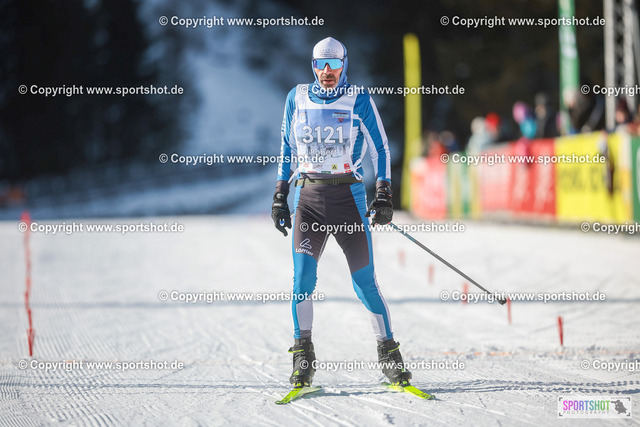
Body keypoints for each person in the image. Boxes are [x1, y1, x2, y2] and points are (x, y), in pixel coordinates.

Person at [271, 37, 411, 388]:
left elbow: (381, 149)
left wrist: (383, 193)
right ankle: (303, 358)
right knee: (302, 281)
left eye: (334, 64)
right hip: (309, 200)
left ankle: (389, 355)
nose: (327, 71)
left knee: (365, 283)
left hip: (349, 199)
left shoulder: (359, 99)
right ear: (313, 66)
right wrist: (280, 194)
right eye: (321, 64)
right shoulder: (296, 98)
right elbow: (287, 148)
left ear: (344, 65)